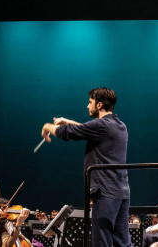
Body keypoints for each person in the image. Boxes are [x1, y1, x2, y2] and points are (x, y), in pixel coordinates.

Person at [41, 87, 130, 247]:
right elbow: (89, 129)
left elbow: (68, 133)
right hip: (122, 193)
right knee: (122, 244)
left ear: (100, 105)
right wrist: (67, 120)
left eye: (90, 102)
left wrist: (47, 126)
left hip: (105, 193)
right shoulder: (120, 125)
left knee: (102, 243)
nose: (87, 106)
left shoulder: (101, 126)